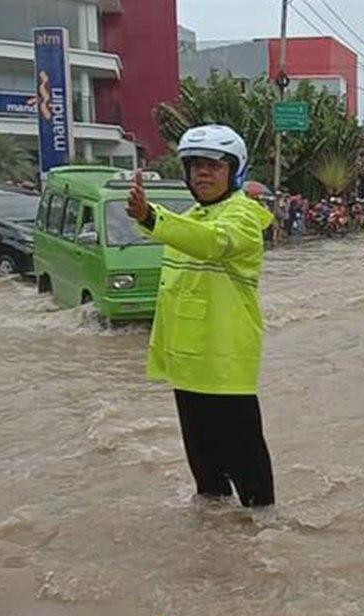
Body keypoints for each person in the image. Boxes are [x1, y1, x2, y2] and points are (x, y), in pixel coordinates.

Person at [125, 123, 276, 508]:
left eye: (214, 165)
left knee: (251, 480)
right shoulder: (192, 214)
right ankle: (214, 553)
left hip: (224, 367)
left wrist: (151, 217)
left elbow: (214, 245)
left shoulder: (242, 216)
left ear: (234, 170)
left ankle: (264, 549)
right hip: (188, 366)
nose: (203, 173)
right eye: (195, 166)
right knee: (207, 479)